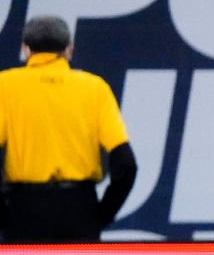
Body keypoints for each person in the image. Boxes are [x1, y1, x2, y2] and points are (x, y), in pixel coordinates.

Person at [0, 15, 137, 243]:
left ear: (25, 49)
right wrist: (101, 214)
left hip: (24, 211)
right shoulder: (95, 89)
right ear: (69, 50)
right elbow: (126, 164)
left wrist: (5, 216)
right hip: (79, 209)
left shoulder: (5, 86)